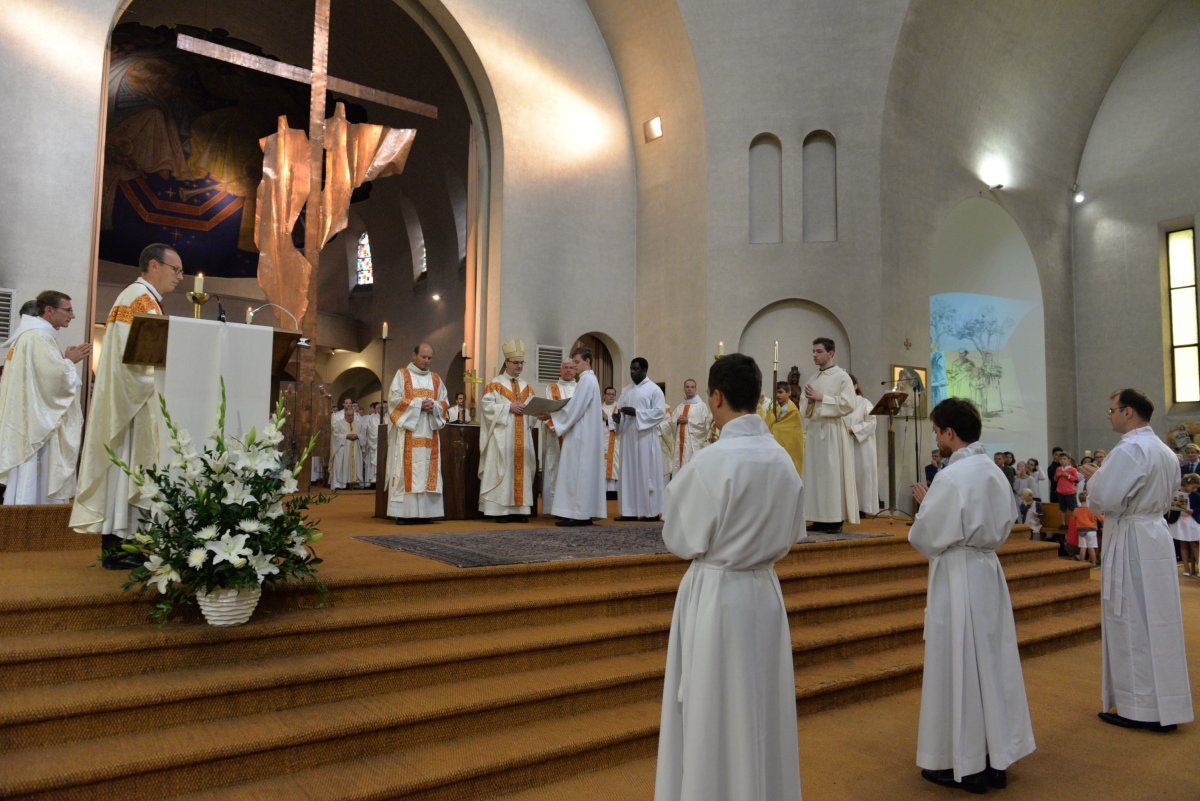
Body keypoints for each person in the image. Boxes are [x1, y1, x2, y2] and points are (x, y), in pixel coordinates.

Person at [653, 353, 805, 801]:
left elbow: (678, 536)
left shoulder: (710, 462)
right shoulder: (782, 462)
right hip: (763, 590)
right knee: (762, 706)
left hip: (716, 595)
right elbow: (794, 529)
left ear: (715, 398)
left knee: (712, 709)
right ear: (759, 397)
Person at [909, 397, 1035, 793]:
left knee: (959, 663)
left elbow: (927, 536)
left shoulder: (951, 477)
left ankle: (966, 763)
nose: (936, 437)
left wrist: (925, 505)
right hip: (987, 571)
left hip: (958, 575)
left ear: (949, 433)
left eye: (936, 431)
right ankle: (994, 755)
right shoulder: (994, 471)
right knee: (990, 665)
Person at [1079, 388, 1193, 732]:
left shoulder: (1129, 449)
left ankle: (1139, 708)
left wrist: (1094, 478)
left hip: (1130, 539)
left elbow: (1103, 499)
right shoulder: (1163, 450)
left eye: (1111, 409)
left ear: (1128, 412)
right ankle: (1166, 703)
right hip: (1155, 536)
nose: (1109, 414)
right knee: (1159, 619)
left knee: (1131, 620)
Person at [71, 243, 183, 568]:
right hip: (132, 404)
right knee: (128, 469)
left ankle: (128, 544)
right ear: (153, 266)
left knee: (131, 472)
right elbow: (137, 361)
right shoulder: (138, 300)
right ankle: (120, 547)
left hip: (134, 400)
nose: (180, 277)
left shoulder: (142, 300)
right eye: (175, 269)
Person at [0, 291, 90, 504]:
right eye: (67, 310)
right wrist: (69, 361)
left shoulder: (32, 336)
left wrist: (63, 360)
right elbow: (52, 379)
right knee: (37, 480)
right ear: (49, 311)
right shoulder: (38, 337)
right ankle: (36, 524)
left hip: (30, 420)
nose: (73, 315)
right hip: (38, 427)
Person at [537, 346, 606, 527]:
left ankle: (577, 514)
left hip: (580, 435)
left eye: (576, 362)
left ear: (587, 361)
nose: (573, 366)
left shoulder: (586, 381)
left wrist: (551, 416)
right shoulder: (591, 380)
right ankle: (585, 512)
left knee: (576, 473)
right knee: (583, 474)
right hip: (585, 433)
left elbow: (576, 408)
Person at [386, 343, 449, 523]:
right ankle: (405, 513)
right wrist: (418, 405)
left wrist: (434, 406)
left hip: (429, 432)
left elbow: (444, 402)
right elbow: (394, 401)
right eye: (423, 357)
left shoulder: (436, 379)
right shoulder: (402, 375)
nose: (427, 361)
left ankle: (426, 513)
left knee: (427, 470)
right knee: (407, 471)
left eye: (429, 358)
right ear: (414, 355)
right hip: (408, 432)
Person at [801, 337, 858, 532]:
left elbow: (849, 404)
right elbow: (804, 406)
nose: (814, 355)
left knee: (831, 475)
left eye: (818, 351)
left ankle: (834, 519)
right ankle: (818, 517)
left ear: (831, 353)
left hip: (832, 430)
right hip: (816, 431)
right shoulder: (812, 378)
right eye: (813, 351)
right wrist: (810, 402)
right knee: (816, 475)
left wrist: (821, 398)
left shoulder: (842, 377)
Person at [478, 338, 535, 522]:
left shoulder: (527, 387)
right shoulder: (495, 384)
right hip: (502, 438)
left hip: (521, 437)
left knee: (521, 470)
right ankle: (500, 510)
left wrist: (536, 413)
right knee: (502, 471)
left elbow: (532, 413)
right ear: (507, 363)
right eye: (516, 363)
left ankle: (520, 510)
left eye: (521, 363)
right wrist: (508, 408)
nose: (519, 366)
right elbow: (486, 407)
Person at [614, 357, 666, 521]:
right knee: (628, 473)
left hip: (645, 437)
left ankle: (649, 512)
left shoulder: (654, 390)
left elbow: (659, 413)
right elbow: (619, 411)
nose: (632, 372)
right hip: (628, 436)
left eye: (635, 369)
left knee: (646, 473)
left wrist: (637, 413)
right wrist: (617, 419)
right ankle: (629, 511)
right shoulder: (626, 390)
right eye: (630, 369)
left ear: (644, 370)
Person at [538, 359, 576, 516]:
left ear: (576, 370)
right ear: (560, 370)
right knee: (555, 466)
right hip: (555, 435)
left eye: (571, 368)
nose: (568, 370)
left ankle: (573, 507)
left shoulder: (580, 388)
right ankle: (554, 507)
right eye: (565, 368)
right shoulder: (551, 388)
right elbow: (547, 409)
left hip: (575, 435)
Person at [846, 374, 879, 517]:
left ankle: (862, 508)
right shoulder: (842, 404)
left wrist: (854, 429)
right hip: (846, 444)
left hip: (862, 447)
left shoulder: (865, 403)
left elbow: (872, 422)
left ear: (855, 386)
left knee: (861, 475)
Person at [761, 381, 804, 476]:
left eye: (780, 392)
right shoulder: (776, 409)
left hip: (788, 450)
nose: (777, 395)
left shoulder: (793, 412)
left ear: (789, 393)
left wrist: (776, 429)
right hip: (776, 450)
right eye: (776, 393)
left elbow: (793, 434)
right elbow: (768, 425)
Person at [672, 378, 712, 475]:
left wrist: (688, 421)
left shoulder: (701, 406)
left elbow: (706, 424)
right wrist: (677, 421)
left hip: (692, 446)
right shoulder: (680, 407)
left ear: (695, 389)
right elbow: (671, 422)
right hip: (679, 445)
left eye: (692, 387)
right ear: (684, 389)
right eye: (687, 387)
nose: (689, 389)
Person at [1168, 473, 1200, 577]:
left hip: (1192, 521)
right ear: (1186, 484)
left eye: (1196, 488)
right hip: (1180, 521)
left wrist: (1192, 510)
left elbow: (1198, 509)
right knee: (1183, 544)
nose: (1195, 489)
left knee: (1194, 544)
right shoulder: (1177, 494)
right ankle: (1186, 568)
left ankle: (1199, 567)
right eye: (1193, 487)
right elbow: (1173, 509)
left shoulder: (1195, 495)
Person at [328, 401, 365, 489]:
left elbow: (363, 434)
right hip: (343, 449)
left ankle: (354, 483)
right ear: (345, 415)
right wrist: (346, 436)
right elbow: (335, 436)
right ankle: (341, 484)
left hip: (355, 448)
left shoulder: (358, 424)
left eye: (352, 415)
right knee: (342, 465)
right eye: (348, 416)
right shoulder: (339, 423)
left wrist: (358, 436)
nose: (350, 417)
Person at [1070, 490, 1102, 568]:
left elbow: (1074, 518)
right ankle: (1094, 564)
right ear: (1088, 499)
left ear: (1079, 499)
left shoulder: (1076, 510)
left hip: (1081, 531)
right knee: (1091, 547)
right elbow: (1100, 518)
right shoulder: (1092, 509)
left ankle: (1081, 564)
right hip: (1091, 531)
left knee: (1082, 547)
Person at [601, 385, 620, 499]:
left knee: (614, 468)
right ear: (604, 396)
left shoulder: (618, 408)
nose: (611, 396)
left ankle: (613, 494)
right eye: (609, 394)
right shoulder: (598, 408)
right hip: (601, 443)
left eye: (613, 394)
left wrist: (607, 418)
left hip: (615, 443)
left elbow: (621, 425)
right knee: (601, 468)